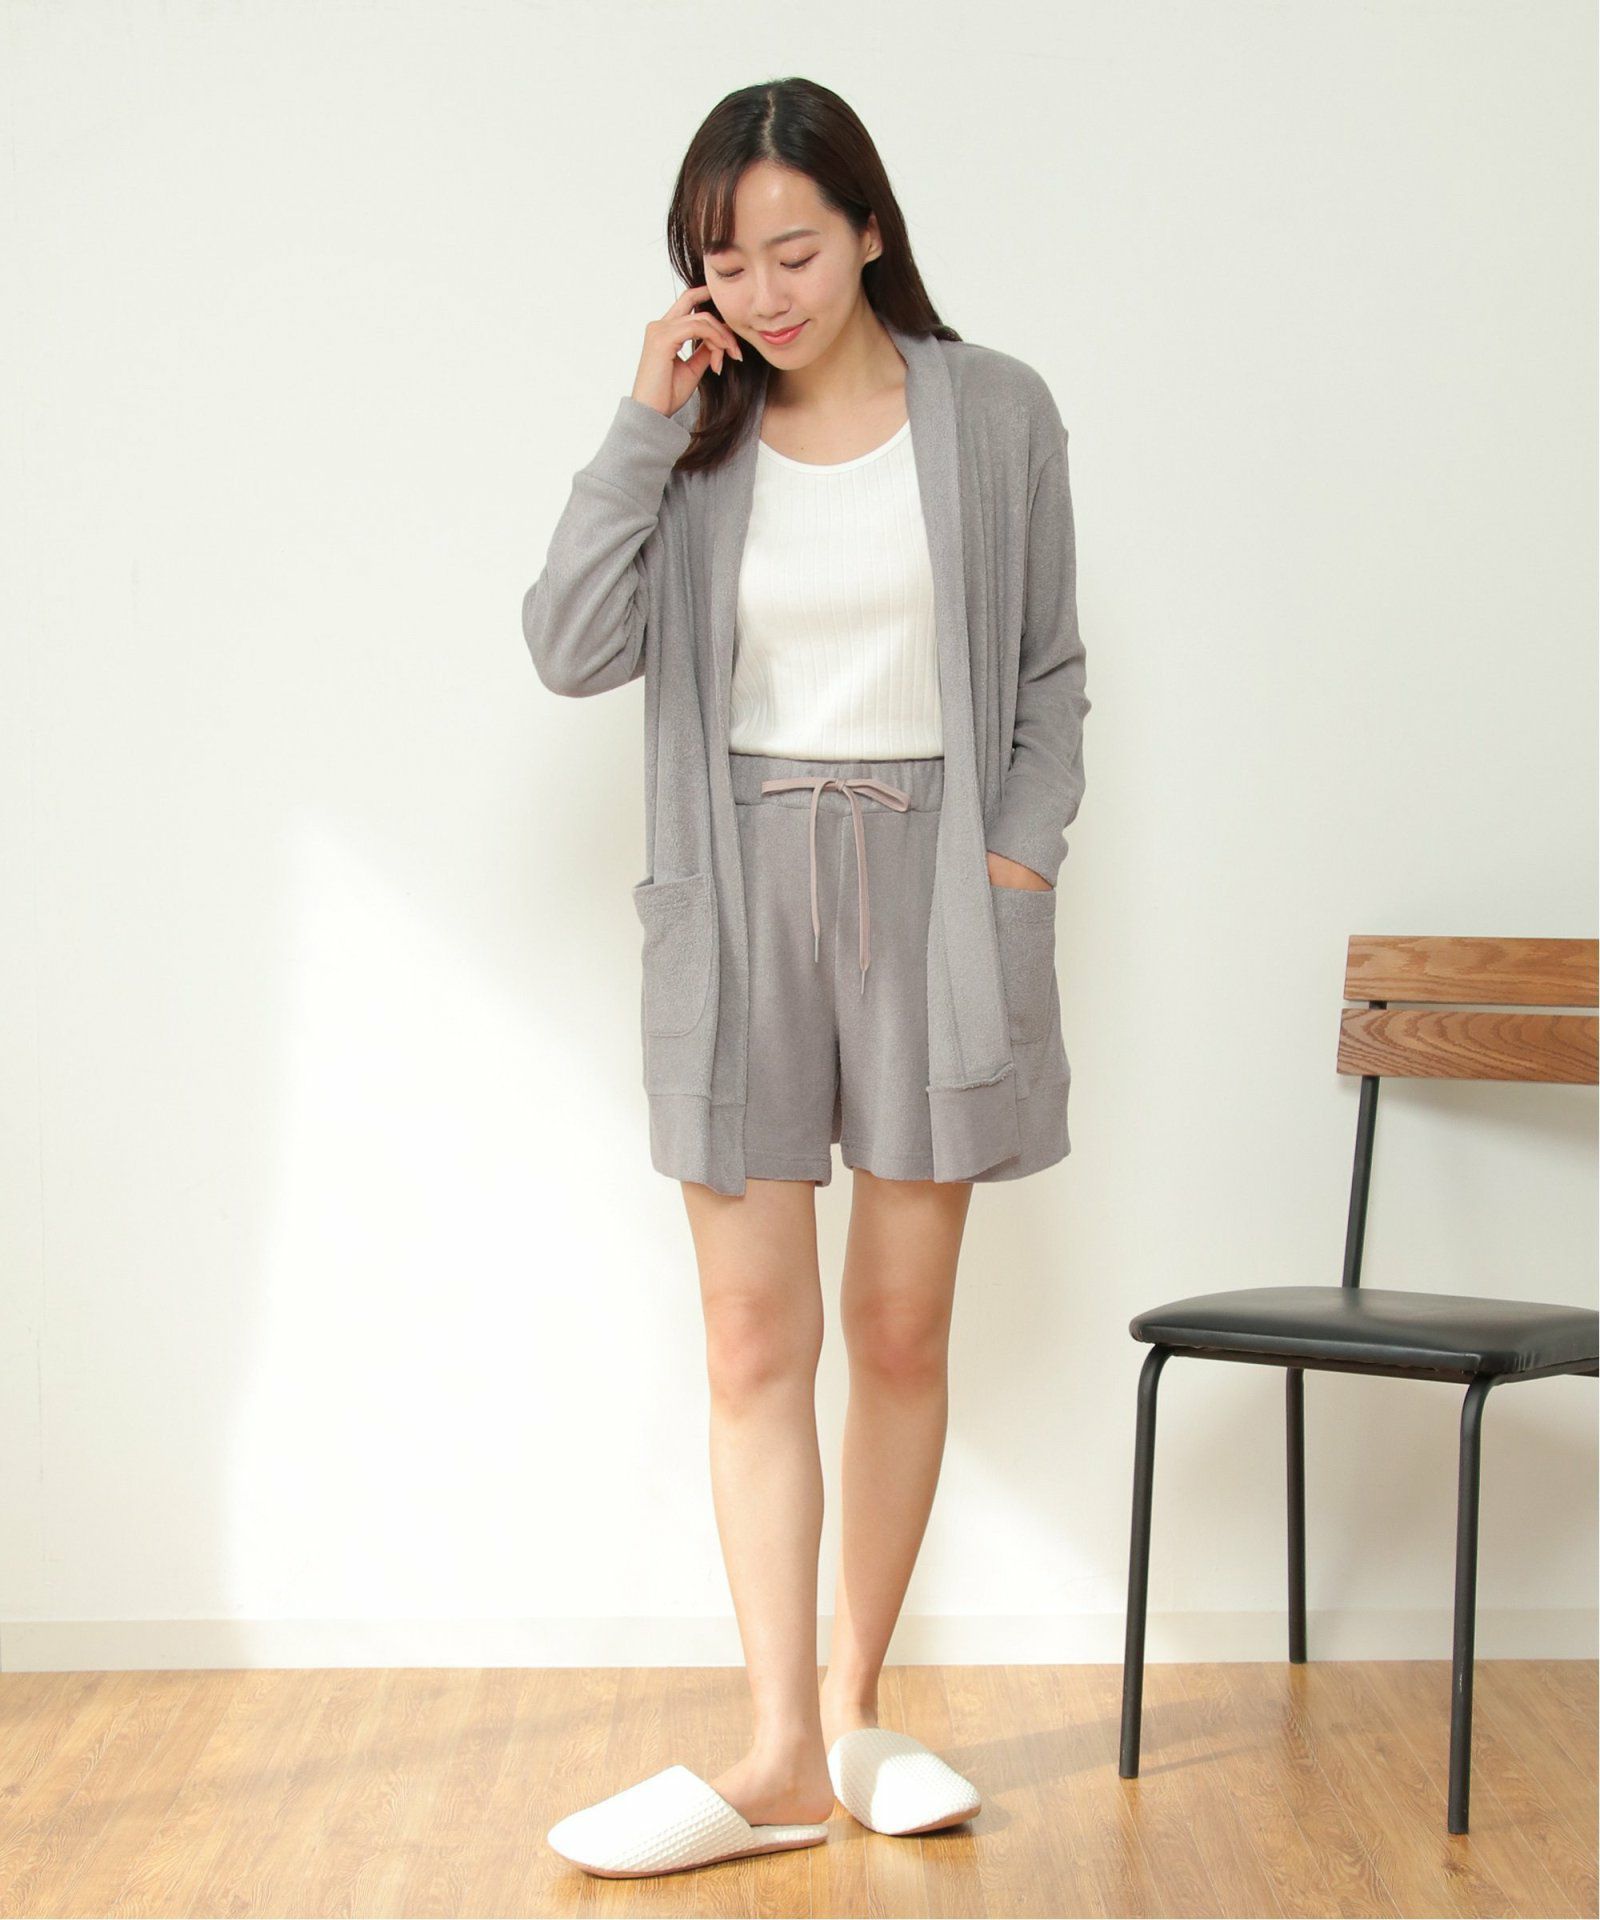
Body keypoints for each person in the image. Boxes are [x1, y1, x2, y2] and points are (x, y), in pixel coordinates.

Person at [523, 76, 1090, 1878]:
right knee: (754, 1336)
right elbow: (567, 647)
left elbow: (1049, 676)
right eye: (725, 261)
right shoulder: (693, 445)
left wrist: (1012, 864)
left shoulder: (995, 412)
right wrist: (640, 420)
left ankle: (853, 1714)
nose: (763, 292)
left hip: (935, 889)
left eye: (794, 249)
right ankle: (773, 1749)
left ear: (868, 230)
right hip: (738, 885)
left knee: (901, 1327)